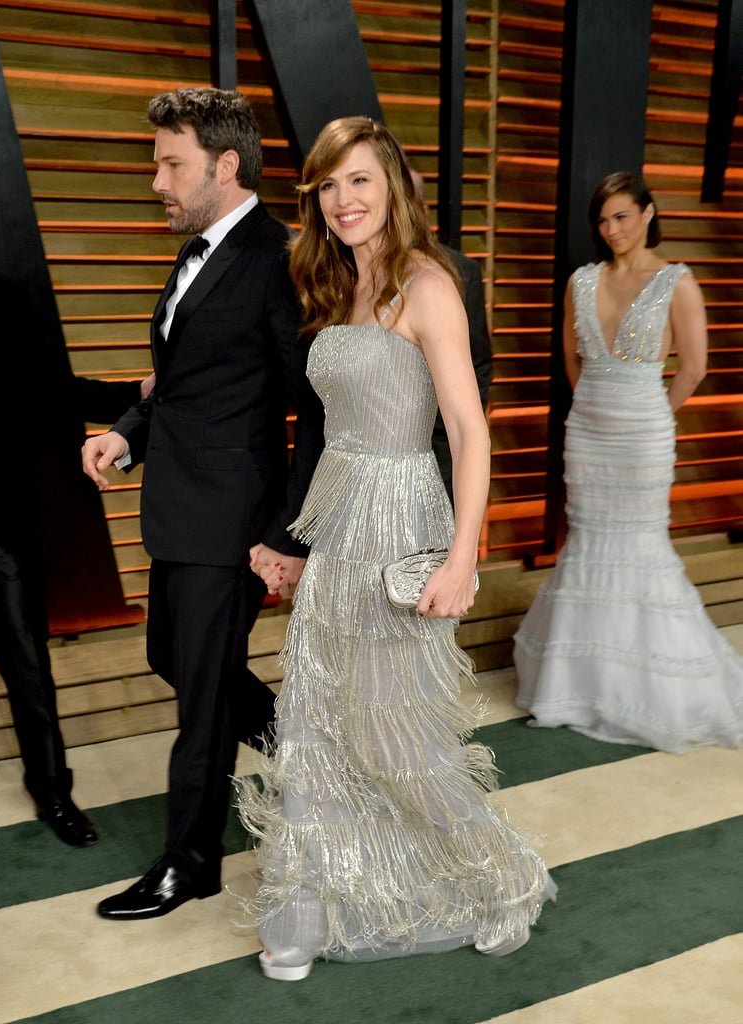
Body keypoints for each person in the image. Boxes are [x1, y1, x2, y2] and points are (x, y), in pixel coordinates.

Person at [240, 116, 555, 982]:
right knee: (314, 721)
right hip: (339, 526)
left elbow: (468, 429)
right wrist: (300, 543)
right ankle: (307, 914)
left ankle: (501, 882)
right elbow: (329, 435)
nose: (343, 201)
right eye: (328, 186)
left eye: (360, 182)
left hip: (404, 522)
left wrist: (461, 559)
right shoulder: (331, 283)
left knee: (395, 737)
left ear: (395, 188)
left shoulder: (428, 283)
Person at [81, 88, 324, 918]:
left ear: (225, 165)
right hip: (182, 508)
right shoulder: (196, 254)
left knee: (203, 699)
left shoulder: (279, 257)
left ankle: (189, 863)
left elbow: (314, 408)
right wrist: (126, 433)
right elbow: (181, 386)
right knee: (179, 663)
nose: (157, 180)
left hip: (236, 520)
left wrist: (288, 534)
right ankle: (309, 751)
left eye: (169, 162)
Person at [514, 171, 743, 753]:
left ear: (648, 213)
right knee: (588, 543)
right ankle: (581, 685)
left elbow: (693, 366)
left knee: (640, 549)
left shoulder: (677, 281)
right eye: (603, 220)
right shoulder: (581, 280)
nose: (611, 229)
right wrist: (596, 405)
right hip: (588, 432)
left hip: (644, 434)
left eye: (621, 216)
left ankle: (651, 686)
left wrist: (648, 412)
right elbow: (571, 360)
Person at [0, 372, 152, 847]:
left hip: (0, 534)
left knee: (27, 664)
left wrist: (135, 393)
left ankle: (52, 794)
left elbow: (50, 389)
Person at [409, 168, 491, 502]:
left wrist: (448, 442)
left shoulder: (459, 272)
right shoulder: (345, 275)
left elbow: (479, 364)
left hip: (440, 453)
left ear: (423, 209)